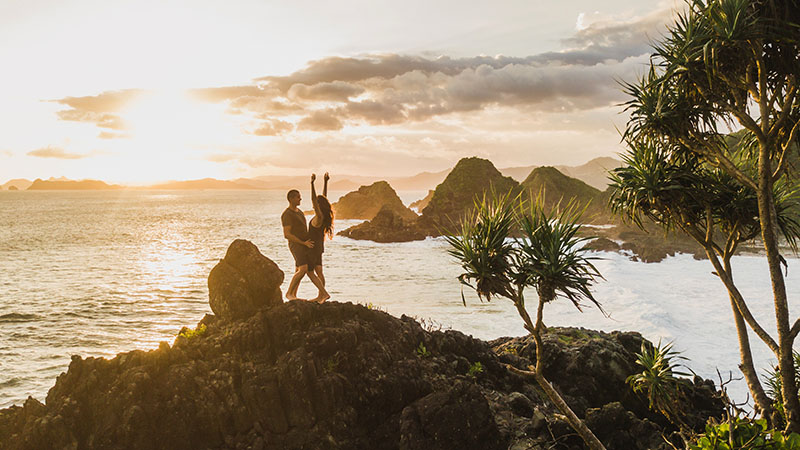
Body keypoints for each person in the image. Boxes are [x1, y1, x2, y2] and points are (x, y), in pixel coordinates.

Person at [281, 189, 325, 301]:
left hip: (305, 245)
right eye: (298, 197)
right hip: (296, 245)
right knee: (303, 269)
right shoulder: (287, 214)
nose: (300, 199)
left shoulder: (299, 212)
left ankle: (293, 295)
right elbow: (287, 234)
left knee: (299, 270)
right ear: (291, 199)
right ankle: (289, 293)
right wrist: (303, 243)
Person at [308, 172, 333, 302]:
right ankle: (320, 296)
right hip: (319, 247)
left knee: (309, 271)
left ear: (318, 205)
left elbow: (314, 199)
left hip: (312, 248)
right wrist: (325, 182)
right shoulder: (323, 216)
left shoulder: (319, 217)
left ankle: (323, 293)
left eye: (316, 203)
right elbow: (324, 198)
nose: (313, 204)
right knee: (319, 272)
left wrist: (312, 184)